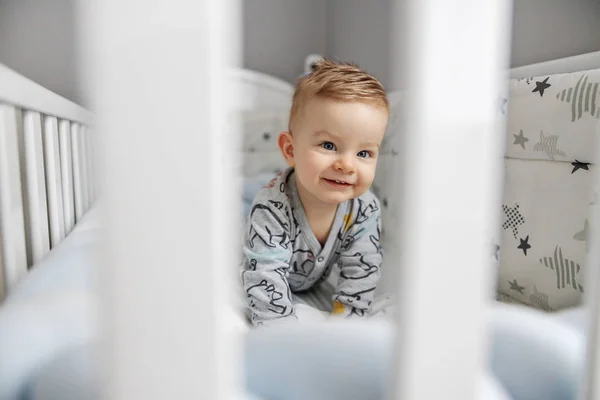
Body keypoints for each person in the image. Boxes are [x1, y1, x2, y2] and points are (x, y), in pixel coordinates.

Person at [241, 59, 389, 327]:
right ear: (289, 150)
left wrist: (346, 330)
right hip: (262, 260)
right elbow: (265, 280)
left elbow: (361, 275)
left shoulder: (365, 209)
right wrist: (282, 336)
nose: (346, 164)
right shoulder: (272, 208)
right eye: (329, 145)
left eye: (364, 153)